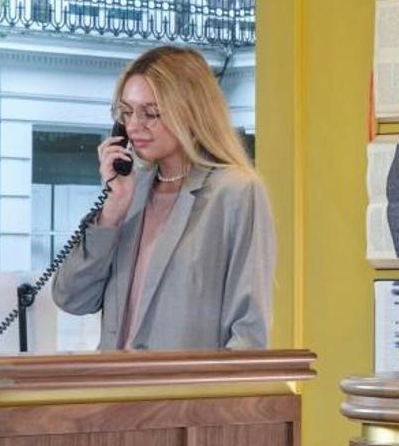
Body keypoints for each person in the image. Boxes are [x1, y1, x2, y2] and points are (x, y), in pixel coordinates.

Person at [53, 46, 274, 349]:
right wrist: (112, 212)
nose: (133, 126)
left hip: (186, 381)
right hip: (115, 378)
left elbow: (249, 334)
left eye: (150, 113)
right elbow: (71, 298)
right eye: (127, 112)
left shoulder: (236, 192)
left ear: (191, 112)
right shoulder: (131, 192)